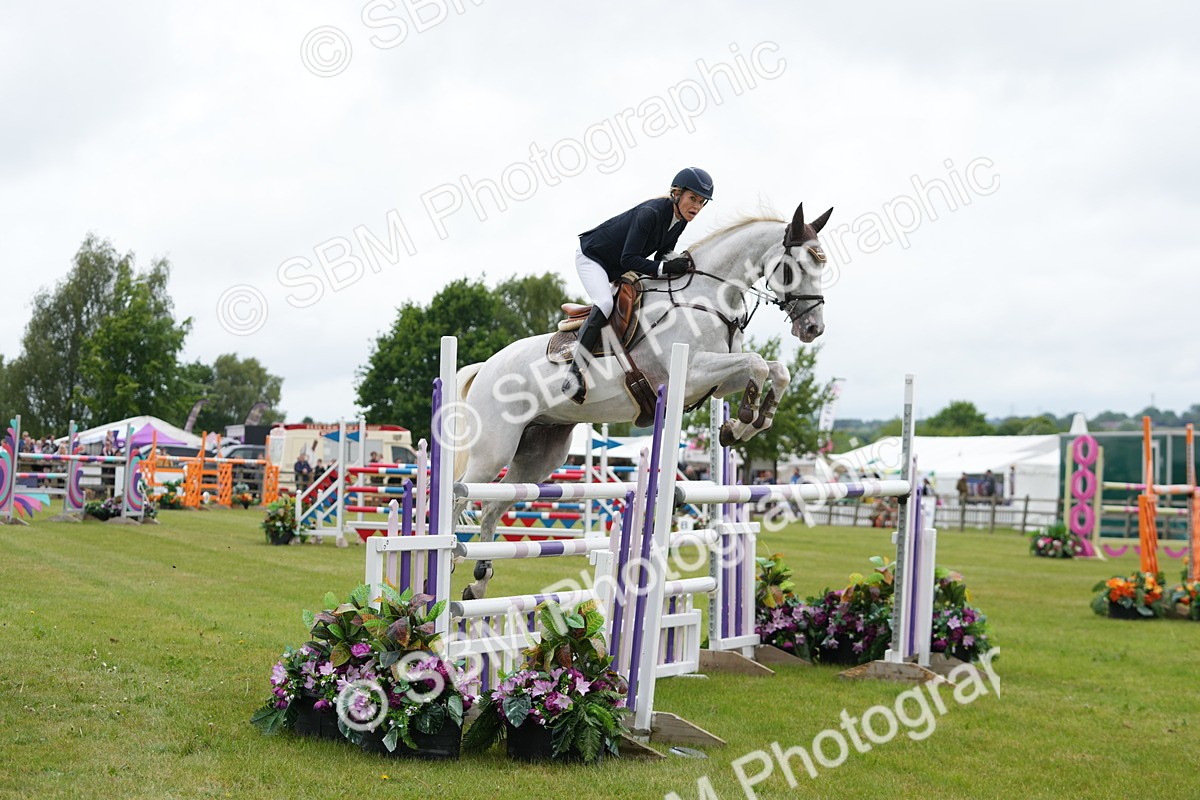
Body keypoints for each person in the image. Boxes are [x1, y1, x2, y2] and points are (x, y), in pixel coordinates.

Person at [562, 167, 715, 403]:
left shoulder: (680, 220)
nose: (697, 206)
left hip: (619, 264)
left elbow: (661, 256)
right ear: (676, 193)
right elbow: (629, 259)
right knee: (604, 303)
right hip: (593, 257)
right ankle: (574, 373)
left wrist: (681, 264)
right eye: (693, 198)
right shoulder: (650, 213)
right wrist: (667, 267)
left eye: (702, 202)